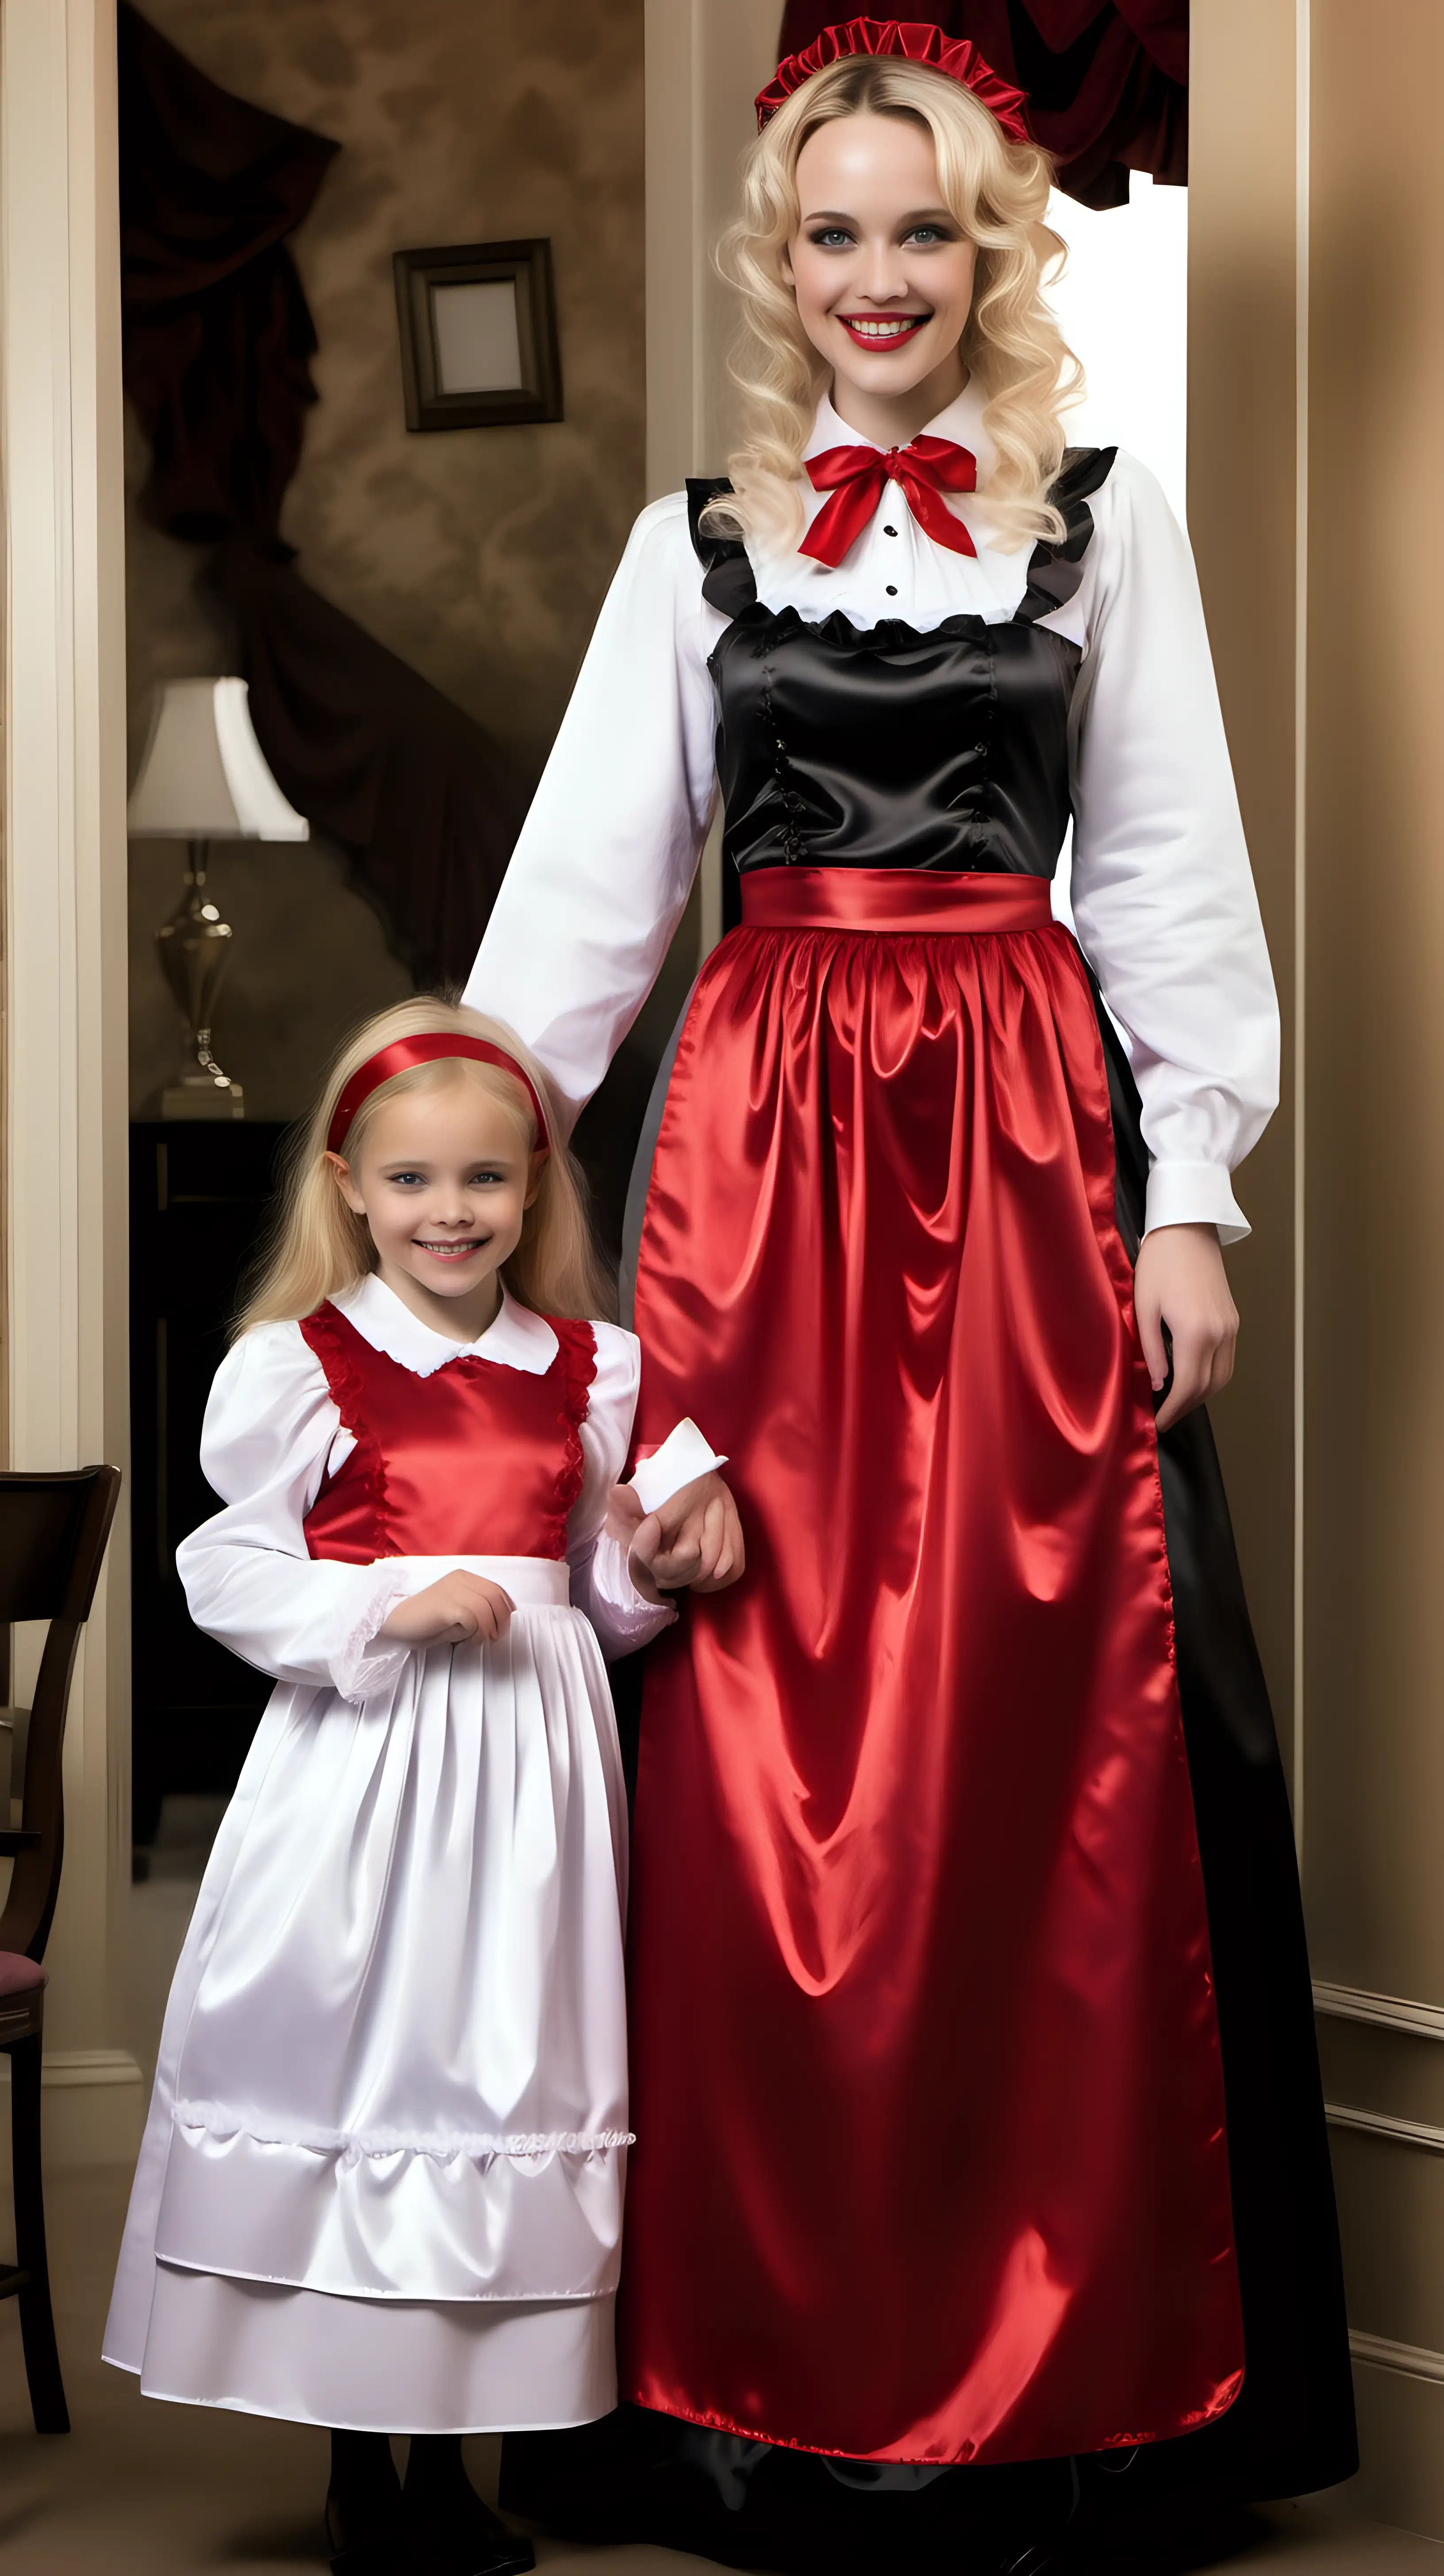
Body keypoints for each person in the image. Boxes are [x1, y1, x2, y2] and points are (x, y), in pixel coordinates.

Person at [463, 20, 1356, 2573]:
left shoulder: (1106, 517)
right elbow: (572, 941)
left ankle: (1070, 2371)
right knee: (754, 1748)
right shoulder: (688, 544)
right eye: (835, 231)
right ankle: (750, 2373)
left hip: (1030, 1155)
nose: (881, 277)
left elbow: (1169, 875)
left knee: (1044, 1749)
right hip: (750, 1190)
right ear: (785, 261)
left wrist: (1189, 1192)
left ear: (994, 253)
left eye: (927, 229)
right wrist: (474, 1259)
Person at [103, 996, 743, 2576]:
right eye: (409, 1184)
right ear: (346, 1187)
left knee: (500, 2077)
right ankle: (355, 2464)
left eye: (483, 1182)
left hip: (533, 1777)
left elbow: (593, 1592)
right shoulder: (300, 1366)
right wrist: (379, 1609)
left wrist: (649, 1571)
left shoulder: (596, 1369)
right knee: (370, 2070)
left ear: (533, 1190)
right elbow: (224, 1569)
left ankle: (454, 2463)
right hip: (372, 1771)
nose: (448, 1214)